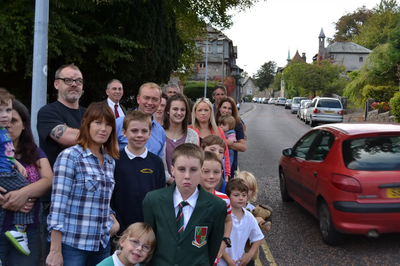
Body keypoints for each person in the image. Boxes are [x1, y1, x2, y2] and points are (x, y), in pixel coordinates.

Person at [46, 102, 120, 266]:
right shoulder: (70, 156)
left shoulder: (109, 161)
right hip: (73, 245)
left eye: (108, 124)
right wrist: (55, 250)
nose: (103, 129)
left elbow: (101, 200)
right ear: (86, 123)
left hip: (101, 244)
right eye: (98, 122)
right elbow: (58, 206)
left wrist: (113, 219)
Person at [142, 143, 226, 266]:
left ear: (202, 171)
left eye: (193, 170)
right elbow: (148, 242)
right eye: (181, 169)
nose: (187, 176)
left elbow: (212, 248)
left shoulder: (217, 206)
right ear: (172, 170)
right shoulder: (153, 200)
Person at [37, 64, 87, 258]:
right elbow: (66, 138)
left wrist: (75, 134)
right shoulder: (48, 112)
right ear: (56, 84)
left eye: (78, 81)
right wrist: (92, 136)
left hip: (85, 201)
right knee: (54, 258)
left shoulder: (88, 113)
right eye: (68, 80)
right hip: (54, 203)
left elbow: (106, 141)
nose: (74, 84)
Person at [0, 99, 53, 265]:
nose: (8, 124)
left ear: (24, 125)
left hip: (28, 233)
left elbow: (48, 180)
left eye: (14, 120)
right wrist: (11, 201)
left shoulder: (35, 152)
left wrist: (23, 195)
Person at [111, 111, 165, 234]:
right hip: (121, 230)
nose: (139, 135)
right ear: (124, 132)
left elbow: (161, 198)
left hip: (148, 230)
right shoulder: (115, 161)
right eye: (134, 131)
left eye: (144, 131)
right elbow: (111, 198)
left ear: (150, 133)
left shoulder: (156, 163)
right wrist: (119, 226)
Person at [218, 179, 263, 266]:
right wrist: (229, 261)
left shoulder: (249, 216)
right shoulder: (222, 215)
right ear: (228, 196)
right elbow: (216, 241)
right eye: (236, 195)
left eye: (244, 195)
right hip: (221, 263)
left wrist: (249, 255)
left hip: (239, 262)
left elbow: (258, 237)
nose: (241, 198)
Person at [199, 151, 233, 263]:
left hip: (212, 256)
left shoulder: (224, 199)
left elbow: (228, 221)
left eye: (216, 172)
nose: (211, 176)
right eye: (206, 171)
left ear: (222, 173)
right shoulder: (188, 198)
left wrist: (224, 241)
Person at [115, 82, 165, 158]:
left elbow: (158, 162)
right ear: (138, 99)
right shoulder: (119, 124)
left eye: (155, 99)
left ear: (160, 102)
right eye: (146, 98)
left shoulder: (160, 132)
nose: (150, 103)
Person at [189, 98, 230, 180]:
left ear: (211, 112)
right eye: (200, 110)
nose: (203, 113)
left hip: (214, 174)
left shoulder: (218, 131)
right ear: (195, 113)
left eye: (206, 110)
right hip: (194, 174)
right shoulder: (189, 131)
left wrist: (226, 175)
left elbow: (225, 154)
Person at [162, 94, 199, 185]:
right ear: (168, 111)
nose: (179, 113)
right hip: (163, 187)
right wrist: (170, 180)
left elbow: (194, 163)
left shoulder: (192, 135)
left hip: (186, 186)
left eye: (182, 110)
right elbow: (157, 164)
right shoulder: (159, 133)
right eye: (175, 109)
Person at [236, 171, 270, 266]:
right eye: (241, 188)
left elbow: (267, 228)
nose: (245, 192)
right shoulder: (230, 208)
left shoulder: (253, 210)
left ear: (253, 191)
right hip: (232, 253)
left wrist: (261, 220)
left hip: (247, 254)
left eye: (249, 189)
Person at [216, 97, 246, 176]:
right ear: (219, 108)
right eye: (224, 107)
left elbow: (243, 147)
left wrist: (227, 143)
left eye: (230, 108)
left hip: (230, 168)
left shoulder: (237, 124)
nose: (227, 111)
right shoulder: (213, 122)